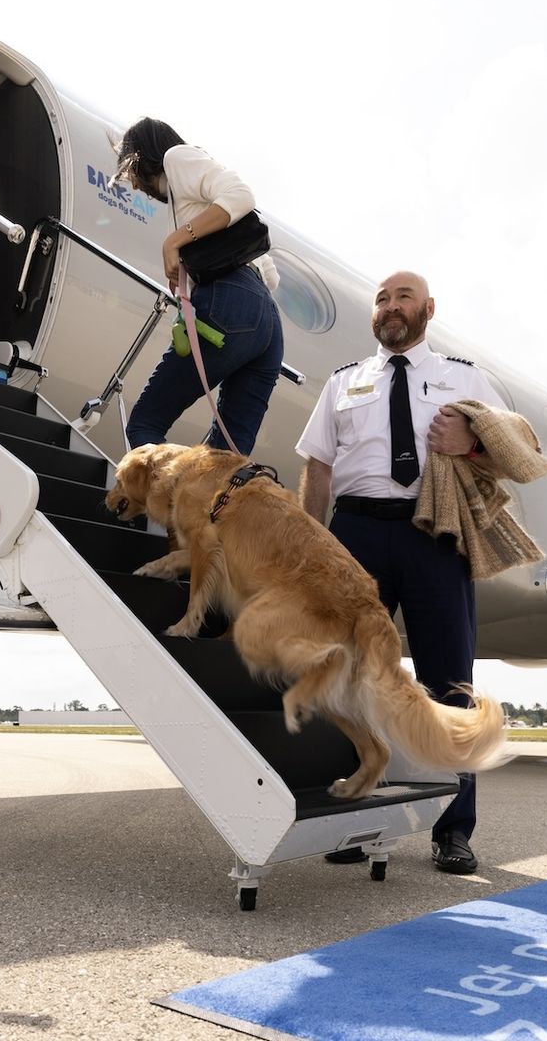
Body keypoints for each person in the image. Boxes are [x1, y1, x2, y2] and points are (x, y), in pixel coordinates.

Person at [294, 270, 504, 876]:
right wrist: (314, 550)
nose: (390, 307)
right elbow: (318, 468)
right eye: (382, 299)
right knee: (351, 679)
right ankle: (357, 819)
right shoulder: (343, 384)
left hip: (434, 533)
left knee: (449, 680)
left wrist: (470, 441)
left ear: (428, 309)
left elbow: (513, 452)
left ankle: (453, 830)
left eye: (402, 297)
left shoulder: (465, 377)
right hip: (357, 534)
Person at [116, 118, 284, 455]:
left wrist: (174, 242)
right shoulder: (187, 197)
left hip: (234, 300)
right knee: (225, 457)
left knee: (145, 423)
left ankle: (168, 500)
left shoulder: (177, 158)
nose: (133, 185)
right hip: (266, 322)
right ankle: (206, 502)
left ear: (138, 157)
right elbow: (271, 279)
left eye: (128, 173)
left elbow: (241, 195)